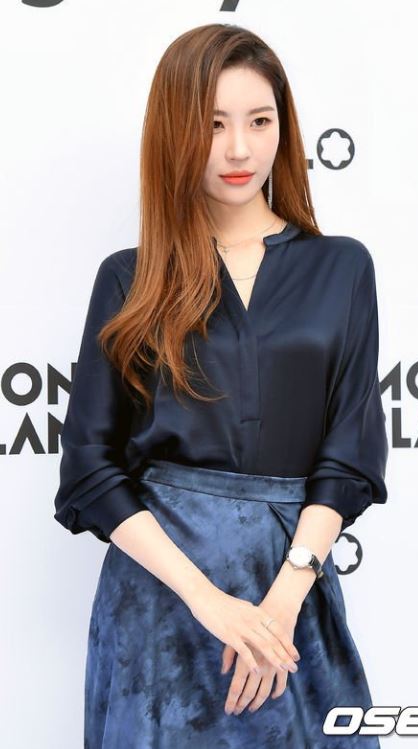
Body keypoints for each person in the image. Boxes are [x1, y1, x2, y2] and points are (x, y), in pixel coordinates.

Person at [53, 22, 389, 749]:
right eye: (212, 125)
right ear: (175, 132)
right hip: (160, 606)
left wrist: (281, 603)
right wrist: (207, 601)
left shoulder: (342, 268)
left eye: (259, 121)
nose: (239, 149)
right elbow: (88, 468)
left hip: (289, 596)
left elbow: (350, 455)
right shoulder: (129, 278)